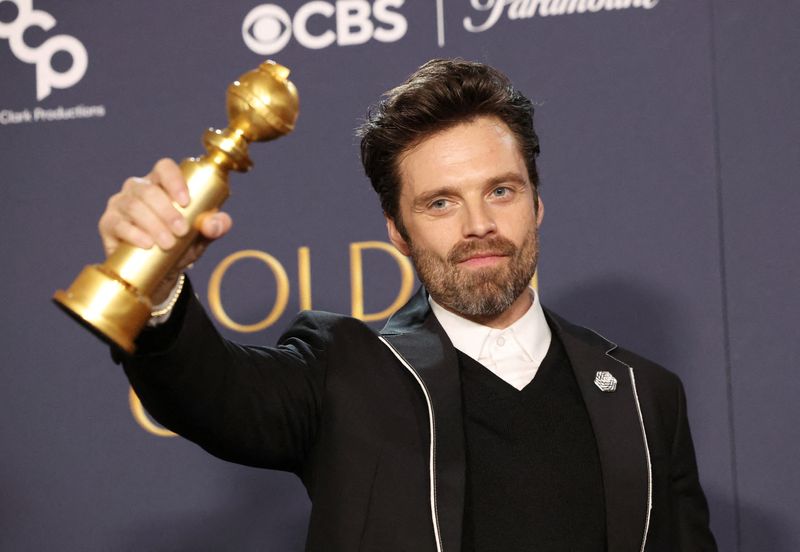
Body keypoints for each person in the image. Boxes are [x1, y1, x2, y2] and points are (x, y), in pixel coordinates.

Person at [103, 59, 717, 551]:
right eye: (441, 203)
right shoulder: (344, 371)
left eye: (500, 191)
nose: (479, 225)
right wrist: (153, 286)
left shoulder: (644, 395)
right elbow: (212, 395)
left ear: (536, 205)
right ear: (398, 231)